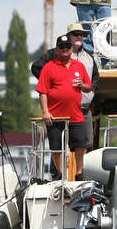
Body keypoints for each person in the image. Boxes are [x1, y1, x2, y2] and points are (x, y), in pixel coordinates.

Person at [31, 22, 99, 152]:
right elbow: (36, 67)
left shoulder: (89, 56)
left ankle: (81, 172)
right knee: (58, 145)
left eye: (82, 35)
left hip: (83, 110)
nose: (80, 37)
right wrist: (53, 85)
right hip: (59, 111)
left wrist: (92, 91)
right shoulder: (55, 53)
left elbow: (96, 76)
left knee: (86, 143)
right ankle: (57, 172)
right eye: (76, 34)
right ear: (68, 36)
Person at [36, 34, 92, 180]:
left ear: (71, 49)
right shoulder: (48, 67)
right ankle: (61, 174)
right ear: (57, 49)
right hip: (55, 115)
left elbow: (88, 87)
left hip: (76, 114)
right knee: (56, 146)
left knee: (81, 145)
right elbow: (42, 91)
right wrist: (45, 112)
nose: (65, 50)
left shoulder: (79, 66)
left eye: (67, 47)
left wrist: (81, 85)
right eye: (62, 47)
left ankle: (79, 173)